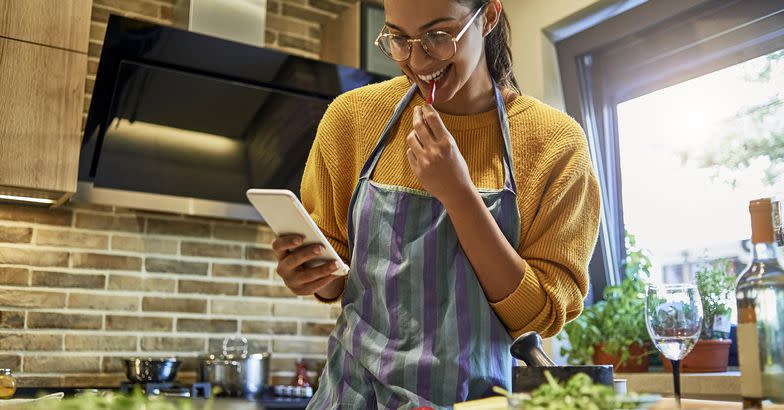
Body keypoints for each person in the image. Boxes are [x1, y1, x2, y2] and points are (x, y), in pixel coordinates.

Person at [271, 0, 600, 408]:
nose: (417, 59)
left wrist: (459, 194)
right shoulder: (352, 118)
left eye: (437, 35)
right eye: (399, 38)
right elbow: (342, 276)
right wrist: (313, 274)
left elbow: (537, 316)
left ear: (489, 16)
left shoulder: (556, 143)